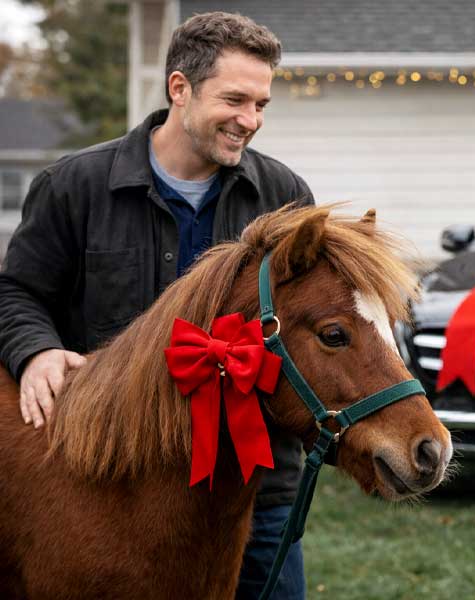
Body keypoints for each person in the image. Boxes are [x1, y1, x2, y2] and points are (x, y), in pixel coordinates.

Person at [0, 12, 313, 600]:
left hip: (253, 492)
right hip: (110, 494)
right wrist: (36, 350)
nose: (251, 121)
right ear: (180, 88)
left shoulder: (284, 199)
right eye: (236, 100)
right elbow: (15, 291)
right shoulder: (75, 186)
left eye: (262, 104)